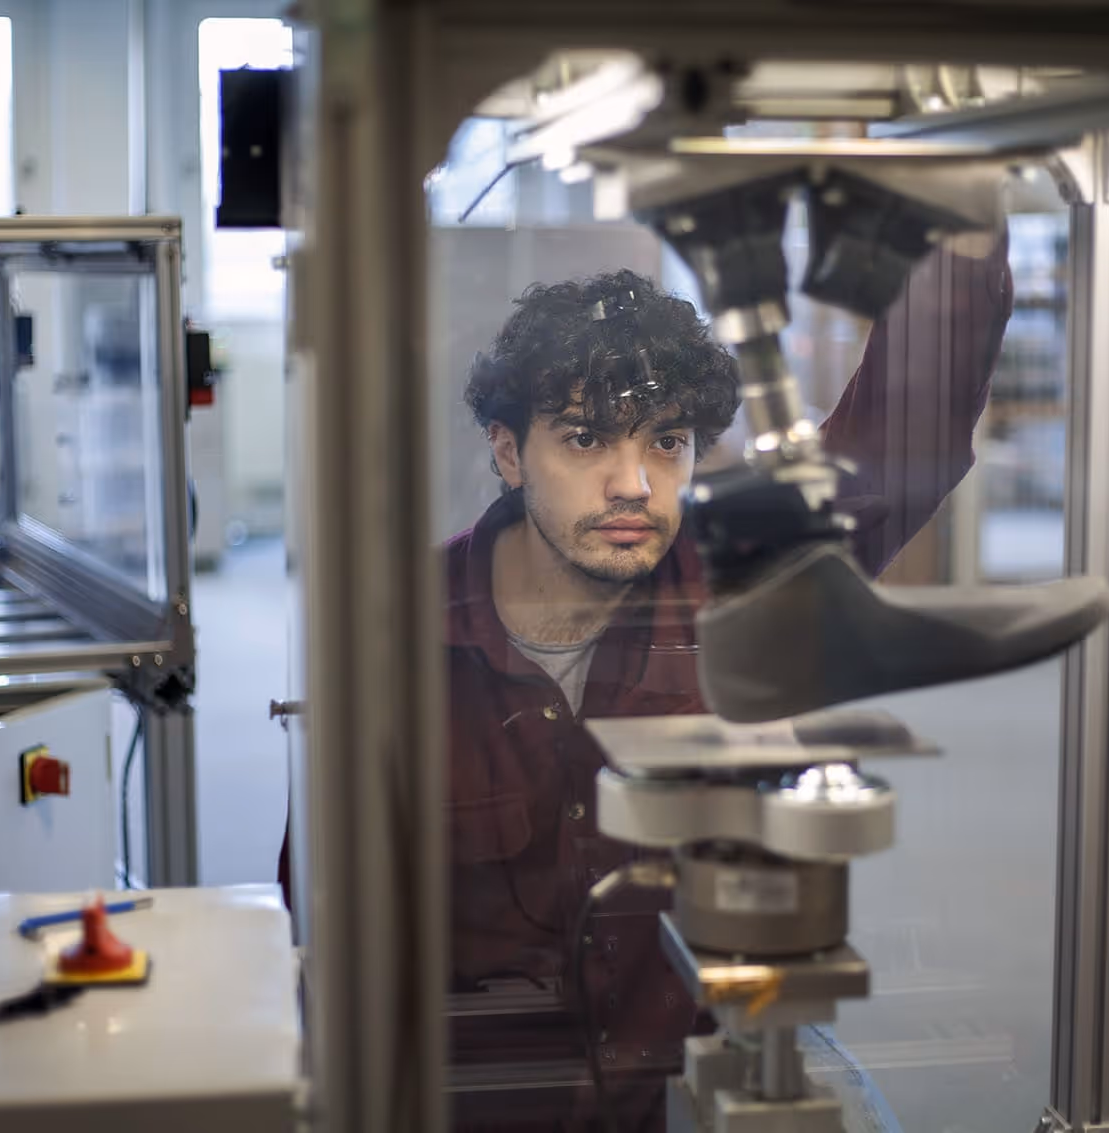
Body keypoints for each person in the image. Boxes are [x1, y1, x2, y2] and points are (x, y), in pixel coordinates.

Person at [280, 235, 1013, 1130]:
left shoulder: (736, 581)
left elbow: (908, 436)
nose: (633, 483)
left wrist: (960, 234)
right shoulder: (394, 638)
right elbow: (327, 924)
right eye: (585, 439)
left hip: (683, 1090)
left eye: (666, 441)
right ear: (509, 453)